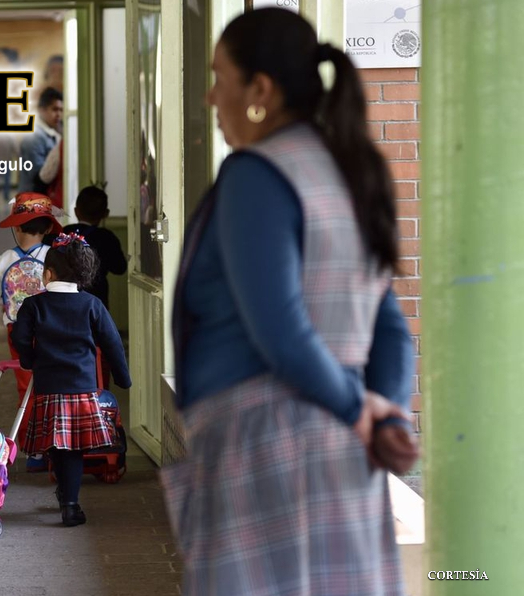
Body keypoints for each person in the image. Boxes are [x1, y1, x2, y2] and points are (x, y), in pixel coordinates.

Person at [162, 9, 419, 596]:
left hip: (263, 445)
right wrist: (383, 415)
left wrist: (358, 411)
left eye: (218, 77)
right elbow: (390, 328)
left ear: (260, 90)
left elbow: (279, 327)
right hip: (345, 453)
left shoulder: (256, 175)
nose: (209, 96)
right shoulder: (351, 168)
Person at [11, 233, 131, 527]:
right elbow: (113, 343)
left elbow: (21, 339)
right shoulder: (92, 304)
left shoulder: (33, 306)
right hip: (82, 389)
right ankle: (71, 504)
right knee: (74, 449)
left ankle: (64, 493)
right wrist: (122, 378)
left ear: (48, 273)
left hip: (50, 387)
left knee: (57, 444)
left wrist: (29, 361)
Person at [0, 192, 61, 465]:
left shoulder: (5, 259)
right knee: (52, 385)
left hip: (17, 332)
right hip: (52, 330)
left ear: (16, 226)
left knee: (25, 387)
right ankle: (56, 442)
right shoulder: (54, 257)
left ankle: (33, 451)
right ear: (50, 227)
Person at [63, 185, 128, 388]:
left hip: (64, 301)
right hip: (97, 303)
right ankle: (99, 390)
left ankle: (72, 385)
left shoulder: (63, 234)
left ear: (76, 211)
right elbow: (119, 268)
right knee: (99, 346)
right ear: (106, 214)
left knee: (68, 343)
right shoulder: (107, 237)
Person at [18, 87, 63, 195]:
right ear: (41, 110)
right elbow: (39, 177)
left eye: (61, 110)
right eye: (54, 109)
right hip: (32, 201)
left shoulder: (52, 133)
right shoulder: (34, 137)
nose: (58, 115)